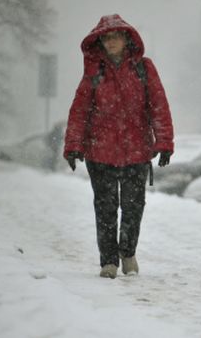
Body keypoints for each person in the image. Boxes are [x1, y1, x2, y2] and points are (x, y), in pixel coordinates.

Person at [63, 14, 174, 279]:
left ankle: (128, 252)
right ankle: (109, 261)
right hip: (100, 153)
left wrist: (165, 142)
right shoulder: (94, 72)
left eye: (115, 37)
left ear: (126, 39)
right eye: (106, 38)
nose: (111, 42)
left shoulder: (144, 69)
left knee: (134, 206)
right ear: (100, 42)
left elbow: (158, 105)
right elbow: (80, 111)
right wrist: (73, 146)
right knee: (105, 208)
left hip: (136, 151)